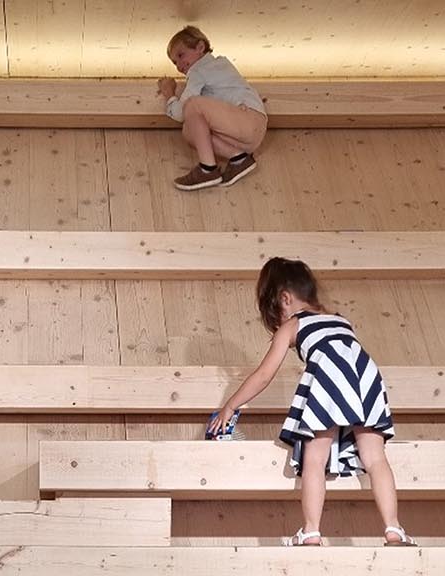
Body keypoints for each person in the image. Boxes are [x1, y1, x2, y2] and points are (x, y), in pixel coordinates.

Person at [209, 257, 414, 547]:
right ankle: (394, 529)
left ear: (285, 298)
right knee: (376, 458)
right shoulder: (341, 319)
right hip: (366, 374)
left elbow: (265, 375)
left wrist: (230, 406)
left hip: (329, 374)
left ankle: (311, 531)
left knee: (314, 458)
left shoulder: (294, 324)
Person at [157, 26, 267, 191]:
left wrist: (169, 93)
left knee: (192, 105)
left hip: (247, 119)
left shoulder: (199, 70)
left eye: (181, 55)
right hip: (248, 135)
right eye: (174, 62)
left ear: (200, 47)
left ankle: (207, 169)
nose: (178, 66)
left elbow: (181, 113)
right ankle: (239, 158)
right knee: (189, 131)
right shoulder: (219, 65)